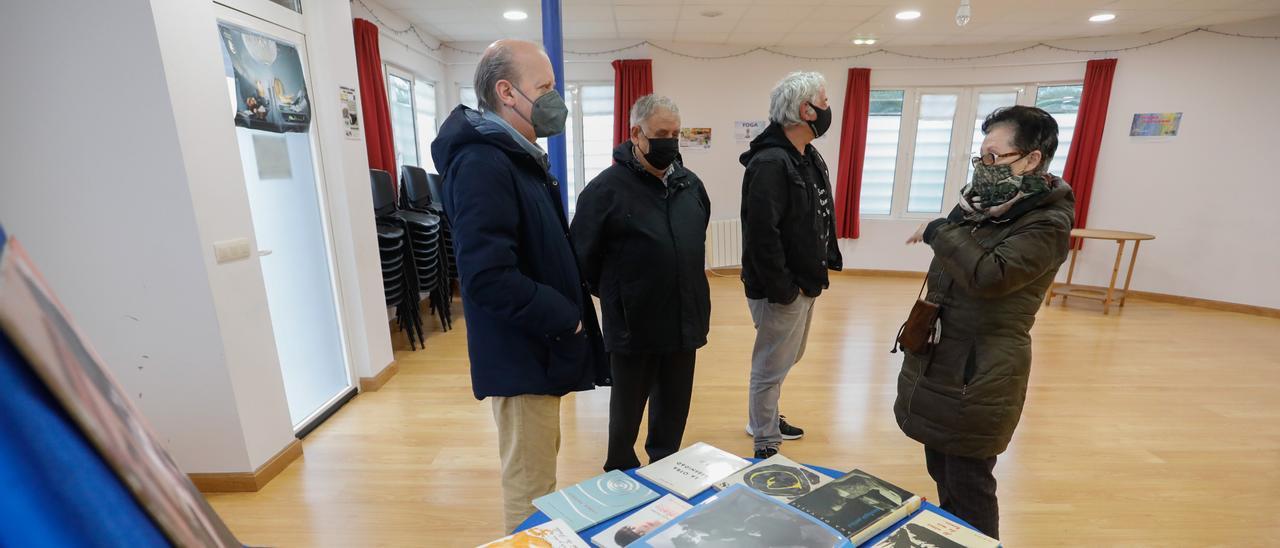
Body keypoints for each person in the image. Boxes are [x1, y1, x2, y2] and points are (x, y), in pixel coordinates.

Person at [430, 39, 609, 532]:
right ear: (506, 92)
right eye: (545, 88)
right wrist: (566, 317)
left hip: (538, 348)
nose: (556, 100)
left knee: (539, 476)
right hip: (523, 351)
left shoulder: (515, 157)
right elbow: (487, 276)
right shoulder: (483, 163)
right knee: (531, 491)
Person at [897, 105, 1075, 539]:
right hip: (947, 357)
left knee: (970, 485)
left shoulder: (1046, 223)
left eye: (995, 157)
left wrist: (940, 230)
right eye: (981, 157)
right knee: (943, 470)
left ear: (1032, 159)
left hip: (981, 372)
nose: (984, 167)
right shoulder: (987, 207)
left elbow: (989, 275)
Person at [570, 94, 711, 472]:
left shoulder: (691, 186)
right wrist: (621, 294)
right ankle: (620, 474)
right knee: (626, 417)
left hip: (684, 320)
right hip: (633, 325)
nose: (670, 141)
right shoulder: (604, 191)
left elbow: (696, 238)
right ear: (636, 133)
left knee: (672, 413)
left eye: (675, 134)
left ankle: (664, 470)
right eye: (661, 133)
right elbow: (583, 257)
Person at [738, 71, 843, 459]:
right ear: (805, 109)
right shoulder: (769, 163)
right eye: (825, 102)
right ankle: (765, 439)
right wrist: (784, 289)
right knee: (769, 365)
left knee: (788, 356)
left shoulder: (807, 155)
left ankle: (761, 416)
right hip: (783, 287)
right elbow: (761, 236)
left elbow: (817, 214)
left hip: (807, 279)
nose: (829, 109)